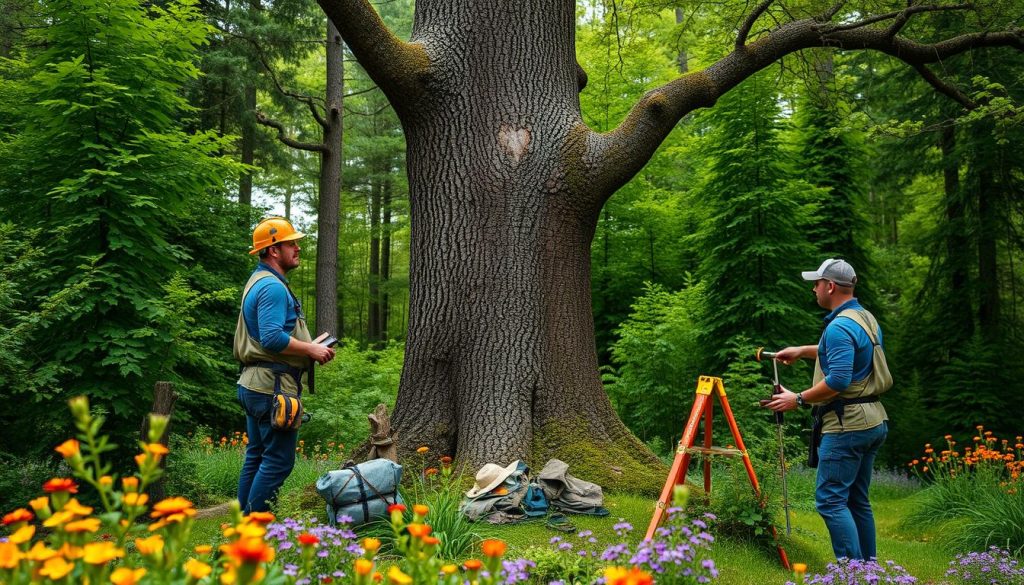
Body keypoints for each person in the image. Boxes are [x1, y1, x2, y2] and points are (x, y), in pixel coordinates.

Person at [766, 258, 892, 560]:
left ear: (831, 286)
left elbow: (838, 379)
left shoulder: (838, 327)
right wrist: (803, 351)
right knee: (857, 500)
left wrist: (797, 399)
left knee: (830, 500)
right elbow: (849, 352)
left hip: (847, 424)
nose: (814, 288)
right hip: (873, 420)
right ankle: (867, 572)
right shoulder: (864, 318)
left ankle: (852, 574)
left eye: (818, 283)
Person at [234, 217, 335, 513]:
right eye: (291, 243)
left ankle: (243, 526)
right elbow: (271, 338)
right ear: (273, 250)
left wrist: (310, 346)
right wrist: (311, 349)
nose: (297, 248)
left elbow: (274, 334)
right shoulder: (273, 287)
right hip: (272, 387)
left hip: (256, 383)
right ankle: (256, 529)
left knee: (257, 456)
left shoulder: (259, 281)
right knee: (278, 461)